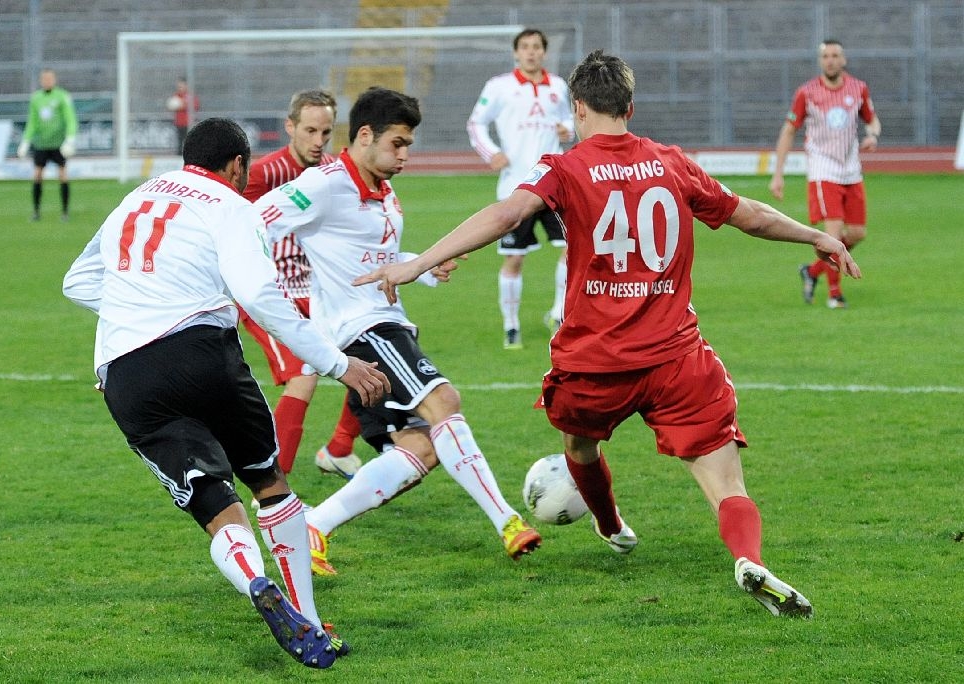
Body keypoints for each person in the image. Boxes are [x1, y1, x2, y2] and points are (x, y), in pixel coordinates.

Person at [357, 51, 864, 618]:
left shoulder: (565, 166)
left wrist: (417, 263)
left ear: (578, 107)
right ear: (630, 107)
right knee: (726, 482)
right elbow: (747, 213)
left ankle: (610, 524)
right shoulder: (671, 162)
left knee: (579, 446)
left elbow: (506, 215)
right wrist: (815, 236)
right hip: (676, 358)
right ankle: (749, 559)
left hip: (594, 361)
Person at [61, 117, 391, 667]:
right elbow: (258, 292)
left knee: (215, 505)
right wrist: (338, 363)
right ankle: (309, 619)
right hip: (200, 352)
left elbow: (77, 281)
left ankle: (256, 582)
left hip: (124, 372)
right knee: (270, 484)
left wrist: (138, 314)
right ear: (238, 166)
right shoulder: (230, 205)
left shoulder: (136, 197)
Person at [252, 87, 541, 577]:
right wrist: (251, 286)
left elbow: (378, 260)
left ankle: (313, 525)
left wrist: (423, 266)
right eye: (398, 143)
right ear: (365, 135)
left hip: (382, 325)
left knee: (421, 447)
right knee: (444, 401)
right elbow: (255, 223)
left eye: (409, 144)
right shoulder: (323, 184)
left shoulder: (384, 191)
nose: (405, 155)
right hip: (364, 330)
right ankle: (508, 522)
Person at [240, 89, 363, 481]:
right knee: (304, 376)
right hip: (268, 296)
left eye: (325, 132)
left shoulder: (333, 173)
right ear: (290, 127)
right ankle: (272, 491)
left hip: (317, 292)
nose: (318, 140)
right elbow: (235, 231)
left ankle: (339, 449)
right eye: (310, 131)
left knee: (373, 354)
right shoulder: (262, 174)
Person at [467, 28, 574, 349]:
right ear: (516, 52)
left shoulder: (558, 86)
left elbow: (571, 119)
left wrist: (567, 129)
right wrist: (491, 153)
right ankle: (511, 325)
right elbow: (476, 123)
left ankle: (559, 313)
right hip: (516, 188)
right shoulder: (499, 86)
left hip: (555, 184)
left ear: (544, 52)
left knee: (574, 249)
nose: (531, 52)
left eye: (537, 47)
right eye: (525, 47)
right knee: (514, 258)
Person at [769, 39, 880, 309]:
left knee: (857, 233)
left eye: (835, 55)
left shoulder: (858, 88)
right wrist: (778, 173)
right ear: (821, 61)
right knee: (833, 233)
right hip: (823, 169)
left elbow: (872, 119)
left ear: (843, 60)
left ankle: (812, 271)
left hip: (851, 169)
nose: (830, 60)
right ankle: (834, 294)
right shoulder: (806, 93)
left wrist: (872, 134)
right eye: (826, 56)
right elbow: (789, 130)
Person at [17, 68, 78, 221]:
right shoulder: (36, 98)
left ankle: (65, 212)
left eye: (49, 78)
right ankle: (36, 212)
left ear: (54, 80)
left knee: (63, 175)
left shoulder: (62, 96)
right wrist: (25, 141)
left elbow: (70, 119)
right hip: (41, 143)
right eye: (44, 79)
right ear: (41, 80)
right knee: (37, 175)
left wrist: (70, 139)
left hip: (58, 143)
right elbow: (32, 122)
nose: (47, 81)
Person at [168, 78, 200, 154]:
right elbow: (171, 106)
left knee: (189, 140)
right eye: (179, 86)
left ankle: (190, 153)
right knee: (179, 139)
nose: (180, 88)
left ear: (186, 86)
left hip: (188, 122)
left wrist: (182, 105)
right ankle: (179, 154)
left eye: (181, 86)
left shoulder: (190, 96)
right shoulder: (176, 96)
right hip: (179, 122)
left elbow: (195, 106)